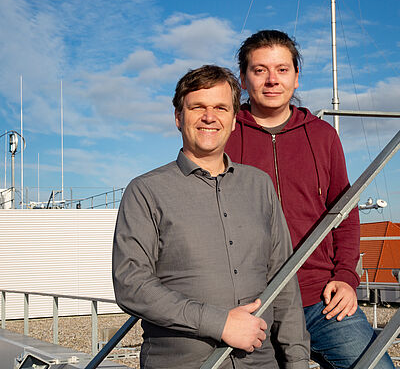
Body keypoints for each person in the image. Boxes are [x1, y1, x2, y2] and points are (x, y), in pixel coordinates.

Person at [112, 65, 310, 368]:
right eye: (197, 107)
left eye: (221, 107)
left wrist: (297, 361)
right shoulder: (145, 191)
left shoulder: (260, 186)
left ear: (233, 120)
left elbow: (282, 281)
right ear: (179, 118)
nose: (209, 116)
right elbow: (131, 284)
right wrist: (220, 323)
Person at [225, 30, 394, 369]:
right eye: (259, 70)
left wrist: (346, 277)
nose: (272, 80)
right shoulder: (225, 132)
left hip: (320, 299)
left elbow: (344, 214)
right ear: (243, 79)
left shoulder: (322, 135)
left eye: (282, 69)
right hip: (251, 303)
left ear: (297, 77)